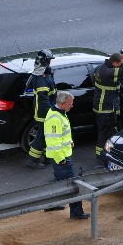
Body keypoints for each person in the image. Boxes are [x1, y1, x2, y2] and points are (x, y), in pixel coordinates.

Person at [44, 91, 89, 220]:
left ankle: (51, 205)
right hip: (61, 158)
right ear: (62, 103)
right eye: (70, 103)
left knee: (59, 181)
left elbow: (60, 135)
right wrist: (61, 159)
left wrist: (69, 141)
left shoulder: (59, 113)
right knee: (74, 185)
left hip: (60, 155)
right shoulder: (55, 118)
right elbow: (53, 140)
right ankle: (76, 212)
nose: (72, 106)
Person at [92, 53, 123, 163]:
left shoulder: (100, 68)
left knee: (108, 131)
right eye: (120, 64)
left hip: (104, 106)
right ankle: (99, 156)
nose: (122, 65)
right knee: (104, 132)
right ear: (115, 63)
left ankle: (105, 152)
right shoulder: (107, 72)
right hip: (104, 108)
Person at [25, 49, 56, 169]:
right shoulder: (41, 79)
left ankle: (47, 158)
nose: (50, 62)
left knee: (47, 136)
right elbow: (43, 100)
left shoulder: (44, 74)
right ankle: (33, 161)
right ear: (45, 61)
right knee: (41, 137)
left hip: (46, 111)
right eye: (49, 60)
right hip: (44, 113)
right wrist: (51, 113)